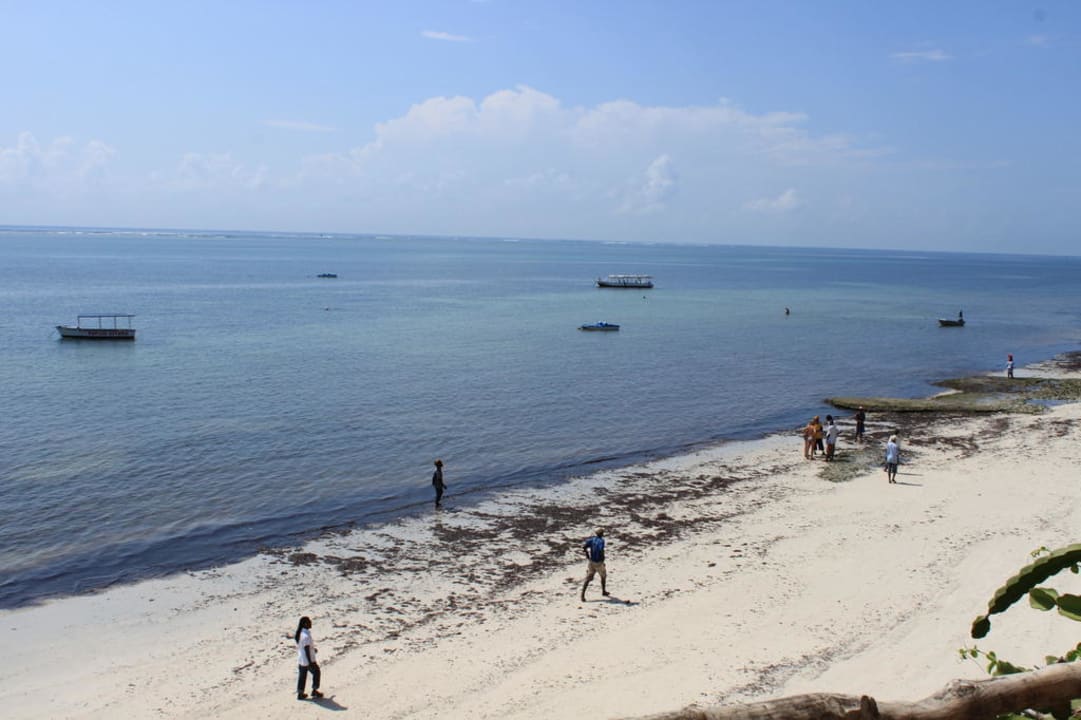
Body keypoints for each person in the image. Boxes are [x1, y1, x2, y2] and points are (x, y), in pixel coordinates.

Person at [295, 616, 323, 700]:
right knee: (316, 672)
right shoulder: (306, 635)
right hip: (308, 659)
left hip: (301, 659)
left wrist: (313, 649)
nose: (311, 623)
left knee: (302, 676)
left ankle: (300, 693)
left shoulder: (300, 633)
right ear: (305, 624)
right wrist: (311, 662)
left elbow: (304, 646)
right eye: (309, 622)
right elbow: (306, 648)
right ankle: (314, 690)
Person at [581, 528, 609, 602]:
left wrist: (587, 555)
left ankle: (582, 595)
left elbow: (584, 547)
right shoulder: (601, 541)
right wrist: (602, 559)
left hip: (591, 562)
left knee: (588, 578)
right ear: (601, 534)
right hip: (599, 562)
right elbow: (601, 550)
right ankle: (603, 591)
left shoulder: (592, 539)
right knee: (603, 576)